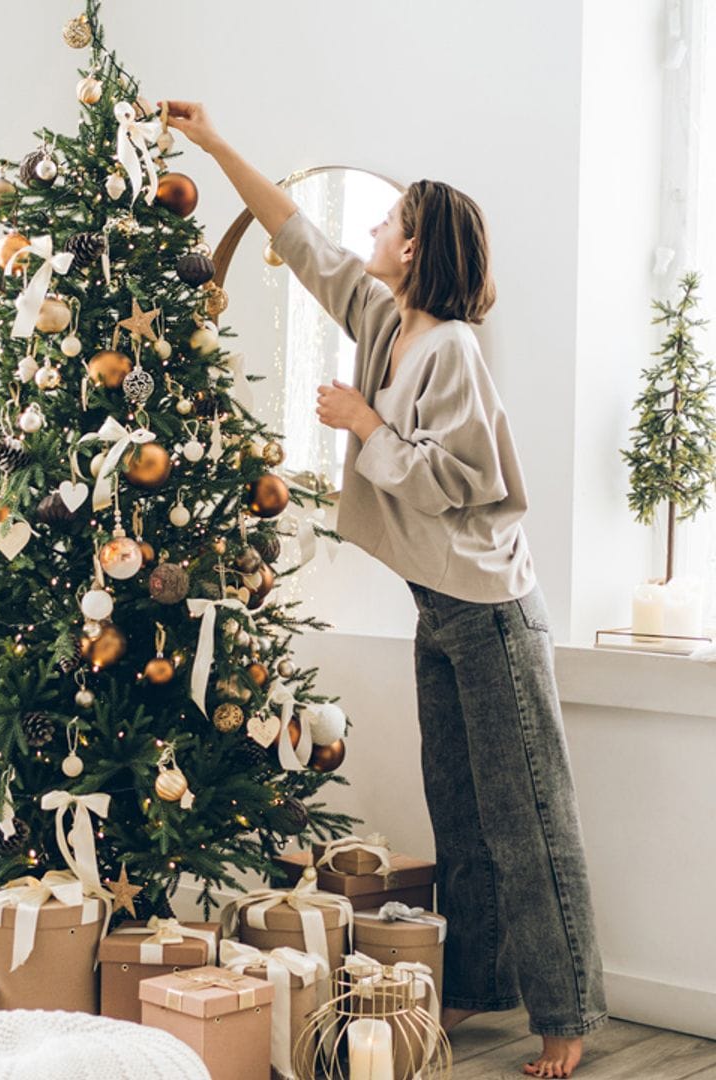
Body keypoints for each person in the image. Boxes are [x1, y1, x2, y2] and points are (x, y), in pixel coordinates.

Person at [161, 100, 607, 1080]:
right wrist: (219, 144)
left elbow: (463, 481)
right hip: (436, 608)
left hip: (490, 613)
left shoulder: (450, 350)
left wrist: (365, 424)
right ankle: (482, 983)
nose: (366, 236)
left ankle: (566, 1015)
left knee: (527, 816)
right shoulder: (379, 320)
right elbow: (298, 234)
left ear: (413, 249)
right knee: (460, 811)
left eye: (385, 223)